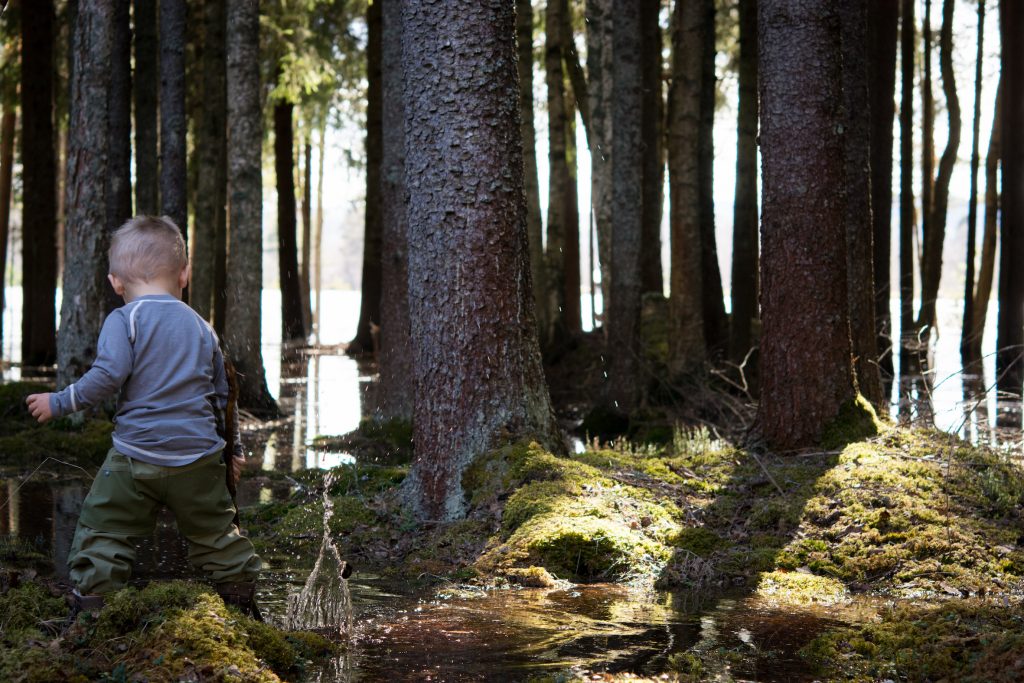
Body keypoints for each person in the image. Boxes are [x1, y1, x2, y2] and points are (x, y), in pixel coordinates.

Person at [26, 215, 261, 615]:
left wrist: (60, 402)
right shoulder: (204, 328)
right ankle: (241, 602)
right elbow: (226, 396)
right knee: (216, 533)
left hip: (136, 458)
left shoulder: (124, 319)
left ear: (116, 282)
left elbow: (108, 375)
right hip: (199, 458)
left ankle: (93, 609)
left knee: (103, 527)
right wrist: (233, 451)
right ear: (183, 274)